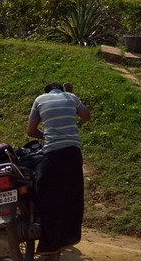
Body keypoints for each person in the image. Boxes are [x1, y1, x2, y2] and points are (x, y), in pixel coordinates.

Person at [26, 81, 90, 256]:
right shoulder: (71, 97)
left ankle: (49, 243)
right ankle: (70, 237)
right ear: (61, 90)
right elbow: (86, 116)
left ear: (46, 91)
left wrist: (45, 136)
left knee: (46, 193)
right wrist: (73, 96)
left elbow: (31, 130)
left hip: (53, 153)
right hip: (73, 152)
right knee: (72, 194)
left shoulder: (40, 100)